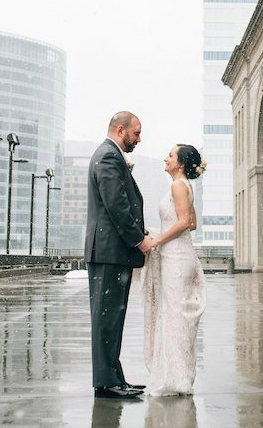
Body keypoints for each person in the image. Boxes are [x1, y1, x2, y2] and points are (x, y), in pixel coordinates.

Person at [84, 111, 154, 399]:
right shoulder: (108, 156)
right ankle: (106, 383)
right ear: (121, 129)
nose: (139, 139)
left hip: (111, 252)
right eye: (136, 134)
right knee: (107, 319)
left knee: (112, 318)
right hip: (109, 252)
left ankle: (114, 378)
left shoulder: (108, 154)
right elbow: (116, 205)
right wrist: (139, 240)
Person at [143, 143, 207, 396]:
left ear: (180, 163)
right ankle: (180, 376)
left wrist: (158, 240)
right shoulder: (186, 186)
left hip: (176, 259)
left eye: (170, 155)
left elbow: (183, 223)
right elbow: (192, 224)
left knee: (174, 317)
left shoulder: (178, 186)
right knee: (176, 316)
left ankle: (177, 378)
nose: (165, 158)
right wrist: (162, 234)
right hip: (180, 254)